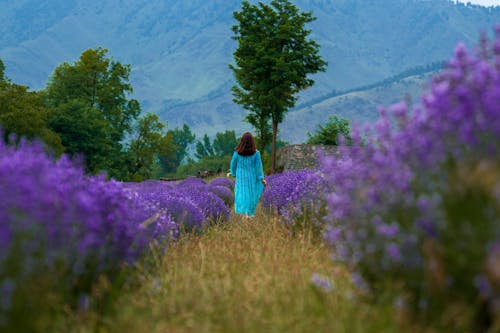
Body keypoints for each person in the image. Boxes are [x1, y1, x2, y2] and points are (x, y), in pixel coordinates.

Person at [229, 132, 267, 217]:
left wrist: (233, 173)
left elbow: (233, 165)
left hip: (241, 179)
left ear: (242, 141)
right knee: (250, 195)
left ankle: (245, 215)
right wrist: (261, 178)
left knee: (242, 194)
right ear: (252, 142)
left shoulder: (237, 153)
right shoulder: (256, 153)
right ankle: (248, 215)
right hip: (252, 178)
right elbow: (258, 167)